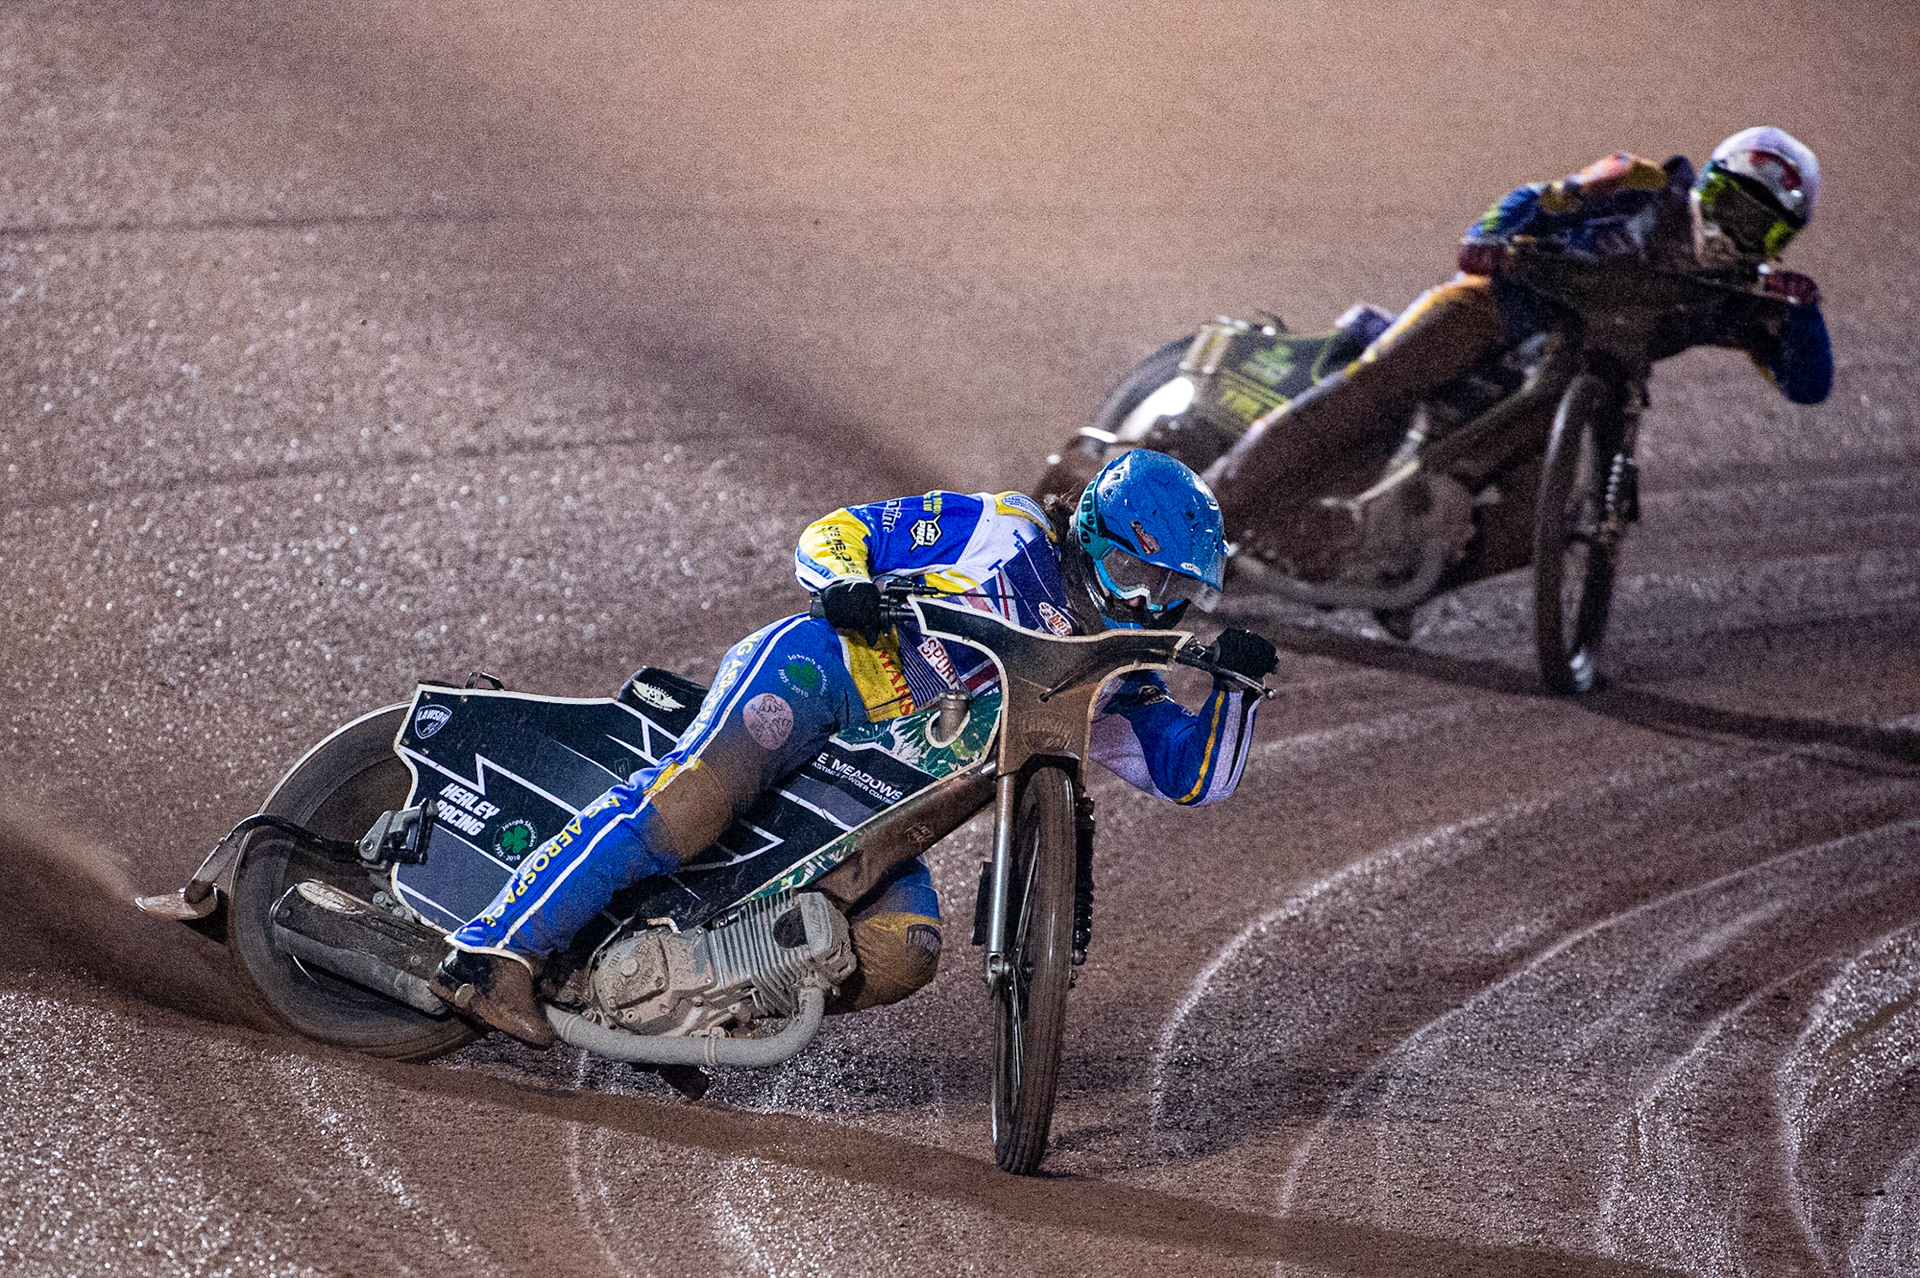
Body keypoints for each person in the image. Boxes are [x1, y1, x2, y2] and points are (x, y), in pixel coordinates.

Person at [429, 450, 1279, 1045]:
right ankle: (493, 953)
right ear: (1095, 538)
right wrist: (844, 585)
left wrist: (1234, 693)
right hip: (825, 683)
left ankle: (700, 1003)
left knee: (902, 951)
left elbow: (1193, 777)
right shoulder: (1002, 528)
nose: (1155, 608)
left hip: (885, 809)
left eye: (1178, 593)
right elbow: (841, 530)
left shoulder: (1116, 681)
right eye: (1144, 579)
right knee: (687, 802)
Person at [1202, 126, 1834, 563]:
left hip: (1576, 384)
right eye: (1730, 202)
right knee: (1374, 385)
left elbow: (1807, 388)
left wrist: (1804, 315)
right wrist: (1488, 239)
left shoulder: (1744, 297)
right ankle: (1201, 512)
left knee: (1533, 529)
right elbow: (1536, 199)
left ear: (1782, 237)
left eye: (1761, 221)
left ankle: (1396, 560)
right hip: (1499, 308)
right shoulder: (1638, 183)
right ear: (1707, 186)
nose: (1735, 227)